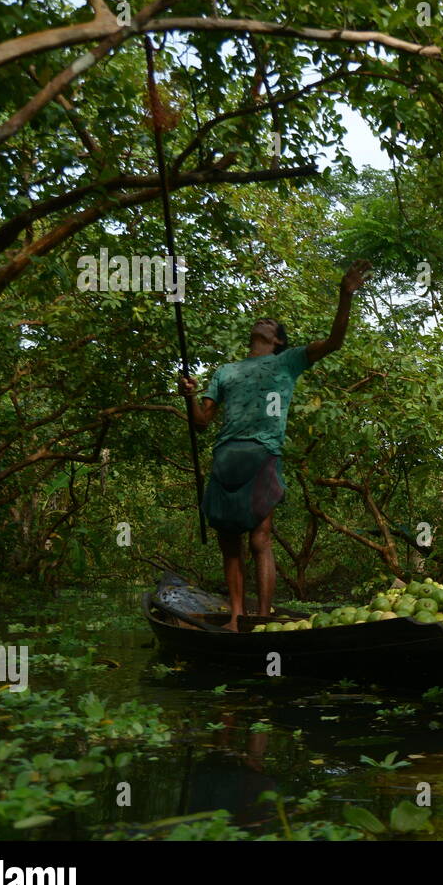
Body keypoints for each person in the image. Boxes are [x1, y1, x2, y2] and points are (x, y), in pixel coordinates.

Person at [178, 260, 370, 631]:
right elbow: (202, 423)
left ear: (278, 339)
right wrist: (187, 396)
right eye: (260, 321)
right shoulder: (225, 371)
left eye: (270, 324)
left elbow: (334, 342)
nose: (263, 322)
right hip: (226, 454)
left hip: (263, 452)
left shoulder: (288, 361)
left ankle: (263, 619)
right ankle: (236, 618)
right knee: (229, 543)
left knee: (260, 539)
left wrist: (345, 295)